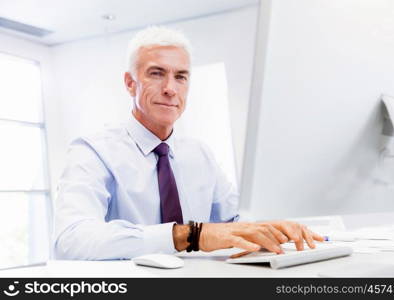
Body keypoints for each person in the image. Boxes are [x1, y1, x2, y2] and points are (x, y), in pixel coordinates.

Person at [53, 26, 323, 260]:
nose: (171, 88)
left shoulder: (199, 154)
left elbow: (233, 223)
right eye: (156, 73)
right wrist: (188, 236)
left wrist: (272, 229)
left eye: (181, 76)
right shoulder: (92, 151)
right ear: (130, 83)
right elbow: (71, 239)